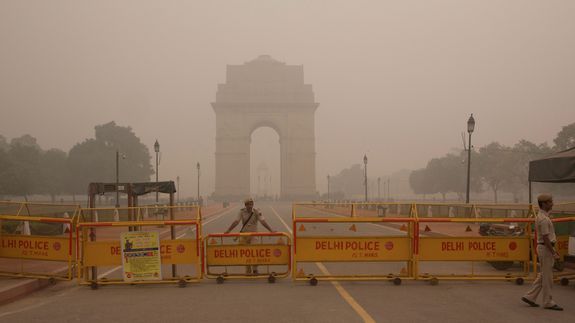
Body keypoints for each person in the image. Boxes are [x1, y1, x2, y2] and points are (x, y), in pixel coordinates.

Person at [521, 194, 563, 311]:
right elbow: (545, 238)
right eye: (550, 202)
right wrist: (554, 252)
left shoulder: (543, 216)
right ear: (544, 204)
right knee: (548, 277)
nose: (552, 204)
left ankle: (530, 296)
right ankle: (548, 302)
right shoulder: (543, 219)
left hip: (544, 248)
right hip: (546, 248)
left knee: (544, 274)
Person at [224, 197, 274, 274]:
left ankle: (255, 269)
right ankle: (247, 270)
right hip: (244, 235)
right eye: (248, 204)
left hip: (254, 235)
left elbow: (262, 221)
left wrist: (271, 230)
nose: (250, 206)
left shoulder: (257, 211)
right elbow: (236, 221)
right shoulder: (241, 212)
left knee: (255, 252)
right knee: (245, 253)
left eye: (251, 204)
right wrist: (228, 230)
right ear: (245, 205)